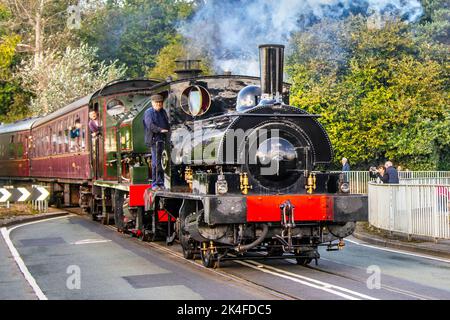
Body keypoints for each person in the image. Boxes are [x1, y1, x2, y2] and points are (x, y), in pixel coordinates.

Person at [143, 94, 170, 191]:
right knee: (156, 162)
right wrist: (160, 130)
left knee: (163, 162)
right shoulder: (148, 113)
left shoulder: (163, 112)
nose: (159, 104)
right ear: (152, 103)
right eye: (157, 102)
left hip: (163, 139)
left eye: (160, 102)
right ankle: (155, 183)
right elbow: (150, 125)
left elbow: (167, 123)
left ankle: (162, 182)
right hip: (154, 140)